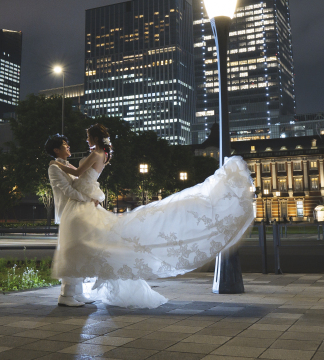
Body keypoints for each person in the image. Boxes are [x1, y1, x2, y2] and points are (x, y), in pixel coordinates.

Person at [50, 124, 254, 309]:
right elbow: (78, 176)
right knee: (82, 245)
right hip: (84, 203)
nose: (86, 140)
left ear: (95, 138)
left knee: (80, 245)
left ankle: (71, 293)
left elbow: (78, 172)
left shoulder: (95, 154)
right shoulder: (102, 154)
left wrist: (55, 164)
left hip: (83, 203)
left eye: (88, 137)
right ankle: (73, 292)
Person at [45, 133, 98, 308]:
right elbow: (67, 190)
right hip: (68, 212)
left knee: (79, 251)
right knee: (71, 252)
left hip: (77, 212)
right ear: (56, 150)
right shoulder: (54, 168)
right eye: (64, 145)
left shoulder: (67, 165)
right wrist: (88, 199)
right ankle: (66, 295)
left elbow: (79, 182)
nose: (68, 147)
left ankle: (78, 293)